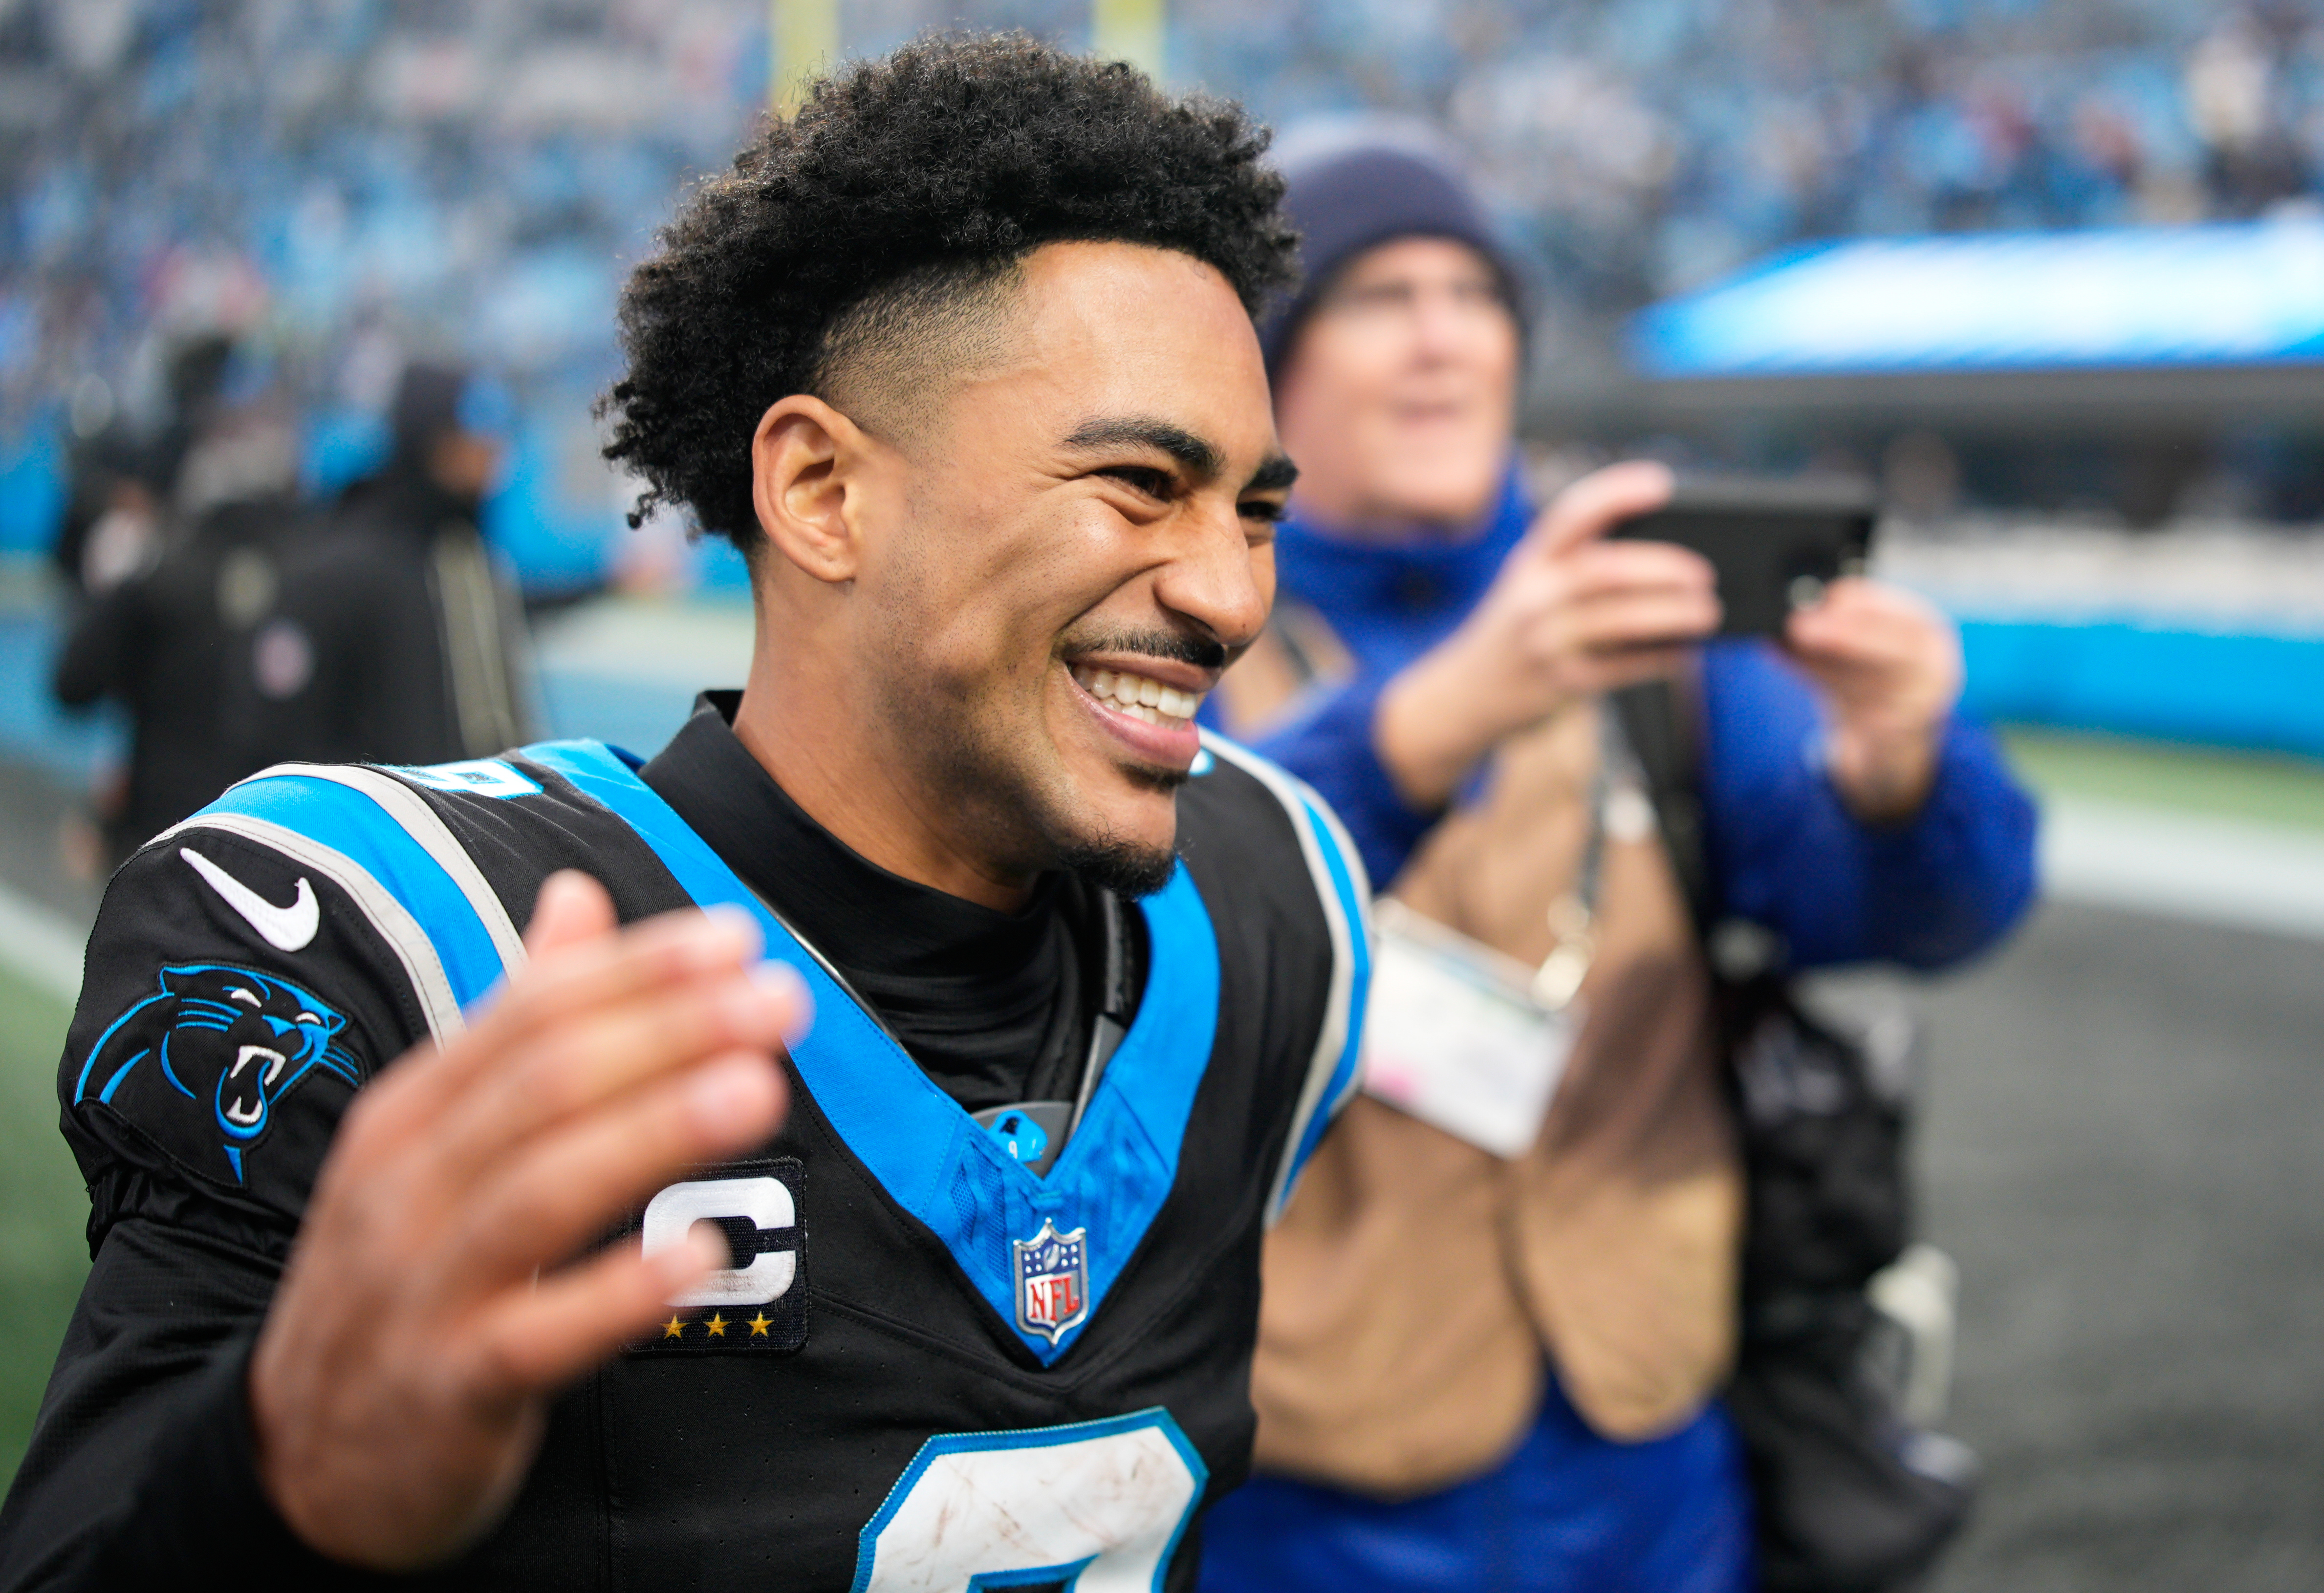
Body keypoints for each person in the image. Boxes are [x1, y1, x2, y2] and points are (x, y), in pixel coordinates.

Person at [0, 37, 1369, 1591]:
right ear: (822, 493)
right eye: (1138, 483)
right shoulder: (407, 956)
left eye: (1255, 508)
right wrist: (275, 1485)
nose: (1229, 591)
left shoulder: (1280, 905)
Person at [1196, 126, 2039, 1592]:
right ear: (1275, 365)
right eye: (1379, 298)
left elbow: (1912, 918)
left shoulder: (1657, 629)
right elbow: (1128, 937)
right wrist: (1432, 720)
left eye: (1476, 298)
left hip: (1654, 1465)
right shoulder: (1179, 622)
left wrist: (1906, 769)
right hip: (1306, 1489)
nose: (1443, 338)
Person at [50, 363, 316, 865]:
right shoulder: (323, 579)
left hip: (160, 847)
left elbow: (73, 685)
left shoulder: (161, 569)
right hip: (285, 858)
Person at [256, 360, 536, 768]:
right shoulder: (341, 573)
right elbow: (278, 738)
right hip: (381, 824)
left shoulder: (466, 562)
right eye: (474, 441)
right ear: (433, 444)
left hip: (462, 822)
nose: (492, 459)